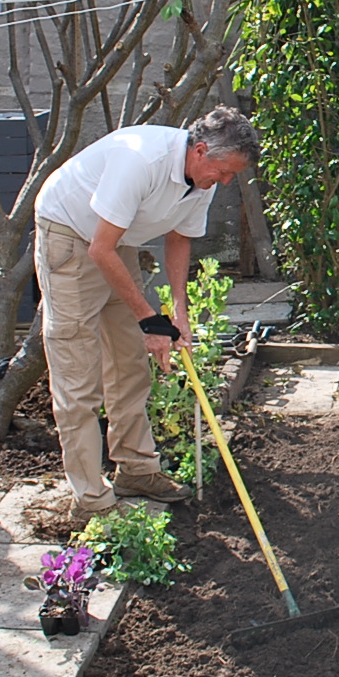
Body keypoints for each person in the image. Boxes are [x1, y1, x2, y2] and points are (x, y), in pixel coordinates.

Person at [33, 106, 259, 524]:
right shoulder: (141, 159)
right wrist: (149, 320)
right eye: (226, 171)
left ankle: (136, 470)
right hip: (70, 235)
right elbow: (99, 249)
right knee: (78, 374)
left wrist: (178, 314)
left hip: (114, 242)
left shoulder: (202, 177)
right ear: (202, 150)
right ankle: (89, 499)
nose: (226, 182)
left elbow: (179, 239)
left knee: (130, 364)